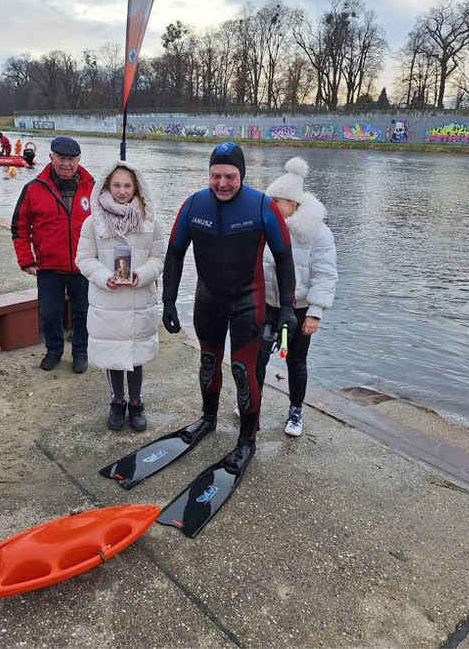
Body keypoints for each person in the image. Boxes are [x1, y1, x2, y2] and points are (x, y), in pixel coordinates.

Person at [162, 142, 296, 472]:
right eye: (216, 176)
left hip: (247, 304)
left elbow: (284, 260)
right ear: (209, 175)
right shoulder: (194, 205)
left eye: (230, 176)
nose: (222, 183)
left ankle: (247, 440)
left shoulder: (263, 206)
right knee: (208, 362)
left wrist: (288, 308)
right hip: (207, 301)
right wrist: (168, 300)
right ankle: (208, 418)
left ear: (241, 175)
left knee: (242, 370)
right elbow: (175, 254)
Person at [76, 162, 166, 431]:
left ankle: (136, 402)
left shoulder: (150, 221)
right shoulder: (93, 223)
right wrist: (105, 277)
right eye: (116, 185)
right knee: (113, 355)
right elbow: (84, 259)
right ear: (106, 187)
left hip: (139, 300)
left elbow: (159, 258)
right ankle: (117, 401)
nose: (122, 191)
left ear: (136, 187)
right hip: (109, 301)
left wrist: (142, 274)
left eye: (127, 186)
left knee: (136, 357)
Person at [255, 157, 338, 437]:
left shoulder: (319, 234)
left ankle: (296, 410)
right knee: (259, 355)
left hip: (300, 307)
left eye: (278, 201)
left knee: (296, 361)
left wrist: (315, 311)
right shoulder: (265, 229)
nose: (272, 206)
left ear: (293, 204)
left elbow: (325, 273)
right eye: (271, 200)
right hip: (268, 303)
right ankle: (253, 402)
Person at [11, 136, 95, 373]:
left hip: (83, 265)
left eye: (71, 159)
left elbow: (107, 226)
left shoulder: (94, 187)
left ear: (79, 160)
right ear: (51, 158)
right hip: (48, 266)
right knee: (49, 313)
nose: (66, 164)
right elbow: (19, 227)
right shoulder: (34, 188)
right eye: (61, 158)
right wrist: (26, 260)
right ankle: (54, 351)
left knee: (84, 312)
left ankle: (80, 352)